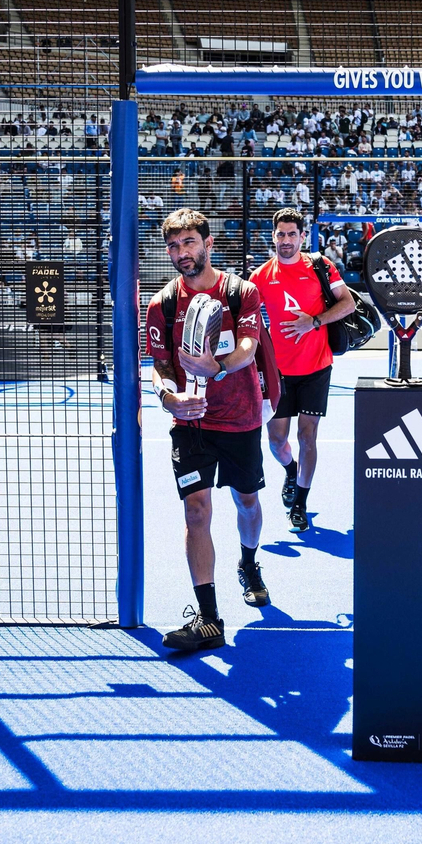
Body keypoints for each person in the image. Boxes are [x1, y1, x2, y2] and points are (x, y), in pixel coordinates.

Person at [146, 208, 274, 652]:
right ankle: (209, 619)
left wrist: (214, 367)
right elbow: (159, 366)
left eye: (189, 244)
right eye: (174, 247)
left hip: (240, 418)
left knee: (248, 503)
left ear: (208, 244)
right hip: (190, 423)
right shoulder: (161, 303)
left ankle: (249, 561)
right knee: (196, 512)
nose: (182, 253)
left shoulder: (241, 292)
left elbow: (248, 347)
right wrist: (169, 398)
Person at [249, 207, 356, 533]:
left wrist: (315, 321)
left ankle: (300, 504)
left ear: (302, 236)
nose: (285, 240)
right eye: (280, 234)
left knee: (307, 436)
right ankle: (291, 471)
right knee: (276, 440)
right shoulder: (261, 277)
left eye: (291, 234)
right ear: (273, 236)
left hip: (317, 366)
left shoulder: (321, 266)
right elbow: (242, 313)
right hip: (278, 371)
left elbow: (348, 303)